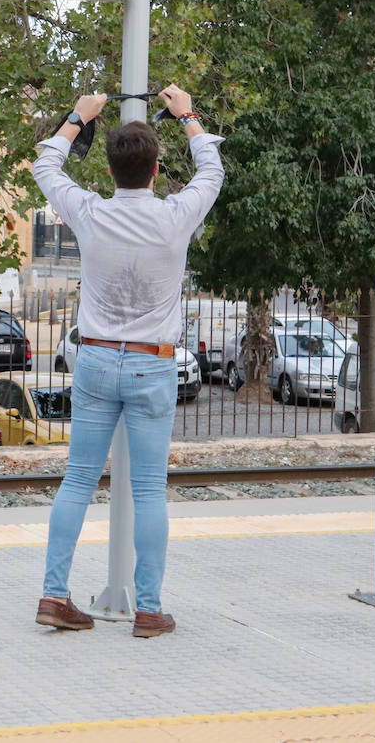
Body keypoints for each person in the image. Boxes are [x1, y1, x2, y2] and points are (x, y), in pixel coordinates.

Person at [31, 85, 225, 638]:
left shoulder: (90, 212)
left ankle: (53, 594)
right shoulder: (176, 216)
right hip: (153, 366)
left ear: (111, 171)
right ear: (157, 168)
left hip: (93, 362)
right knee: (147, 491)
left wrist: (77, 117)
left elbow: (47, 165)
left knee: (76, 481)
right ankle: (148, 608)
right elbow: (210, 169)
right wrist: (188, 113)